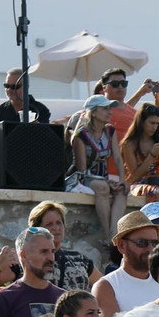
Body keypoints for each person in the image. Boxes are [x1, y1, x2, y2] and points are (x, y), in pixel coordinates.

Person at [65, 95, 128, 236]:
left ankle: (114, 233)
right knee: (103, 187)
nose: (110, 112)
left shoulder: (110, 131)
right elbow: (82, 170)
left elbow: (117, 158)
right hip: (82, 178)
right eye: (105, 109)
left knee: (124, 189)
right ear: (93, 112)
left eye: (109, 108)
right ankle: (107, 235)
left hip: (103, 178)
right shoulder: (80, 135)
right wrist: (106, 181)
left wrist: (122, 179)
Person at [27, 200, 99, 294]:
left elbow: (105, 286)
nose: (56, 228)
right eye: (49, 224)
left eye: (59, 223)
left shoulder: (79, 260)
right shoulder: (27, 261)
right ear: (37, 229)